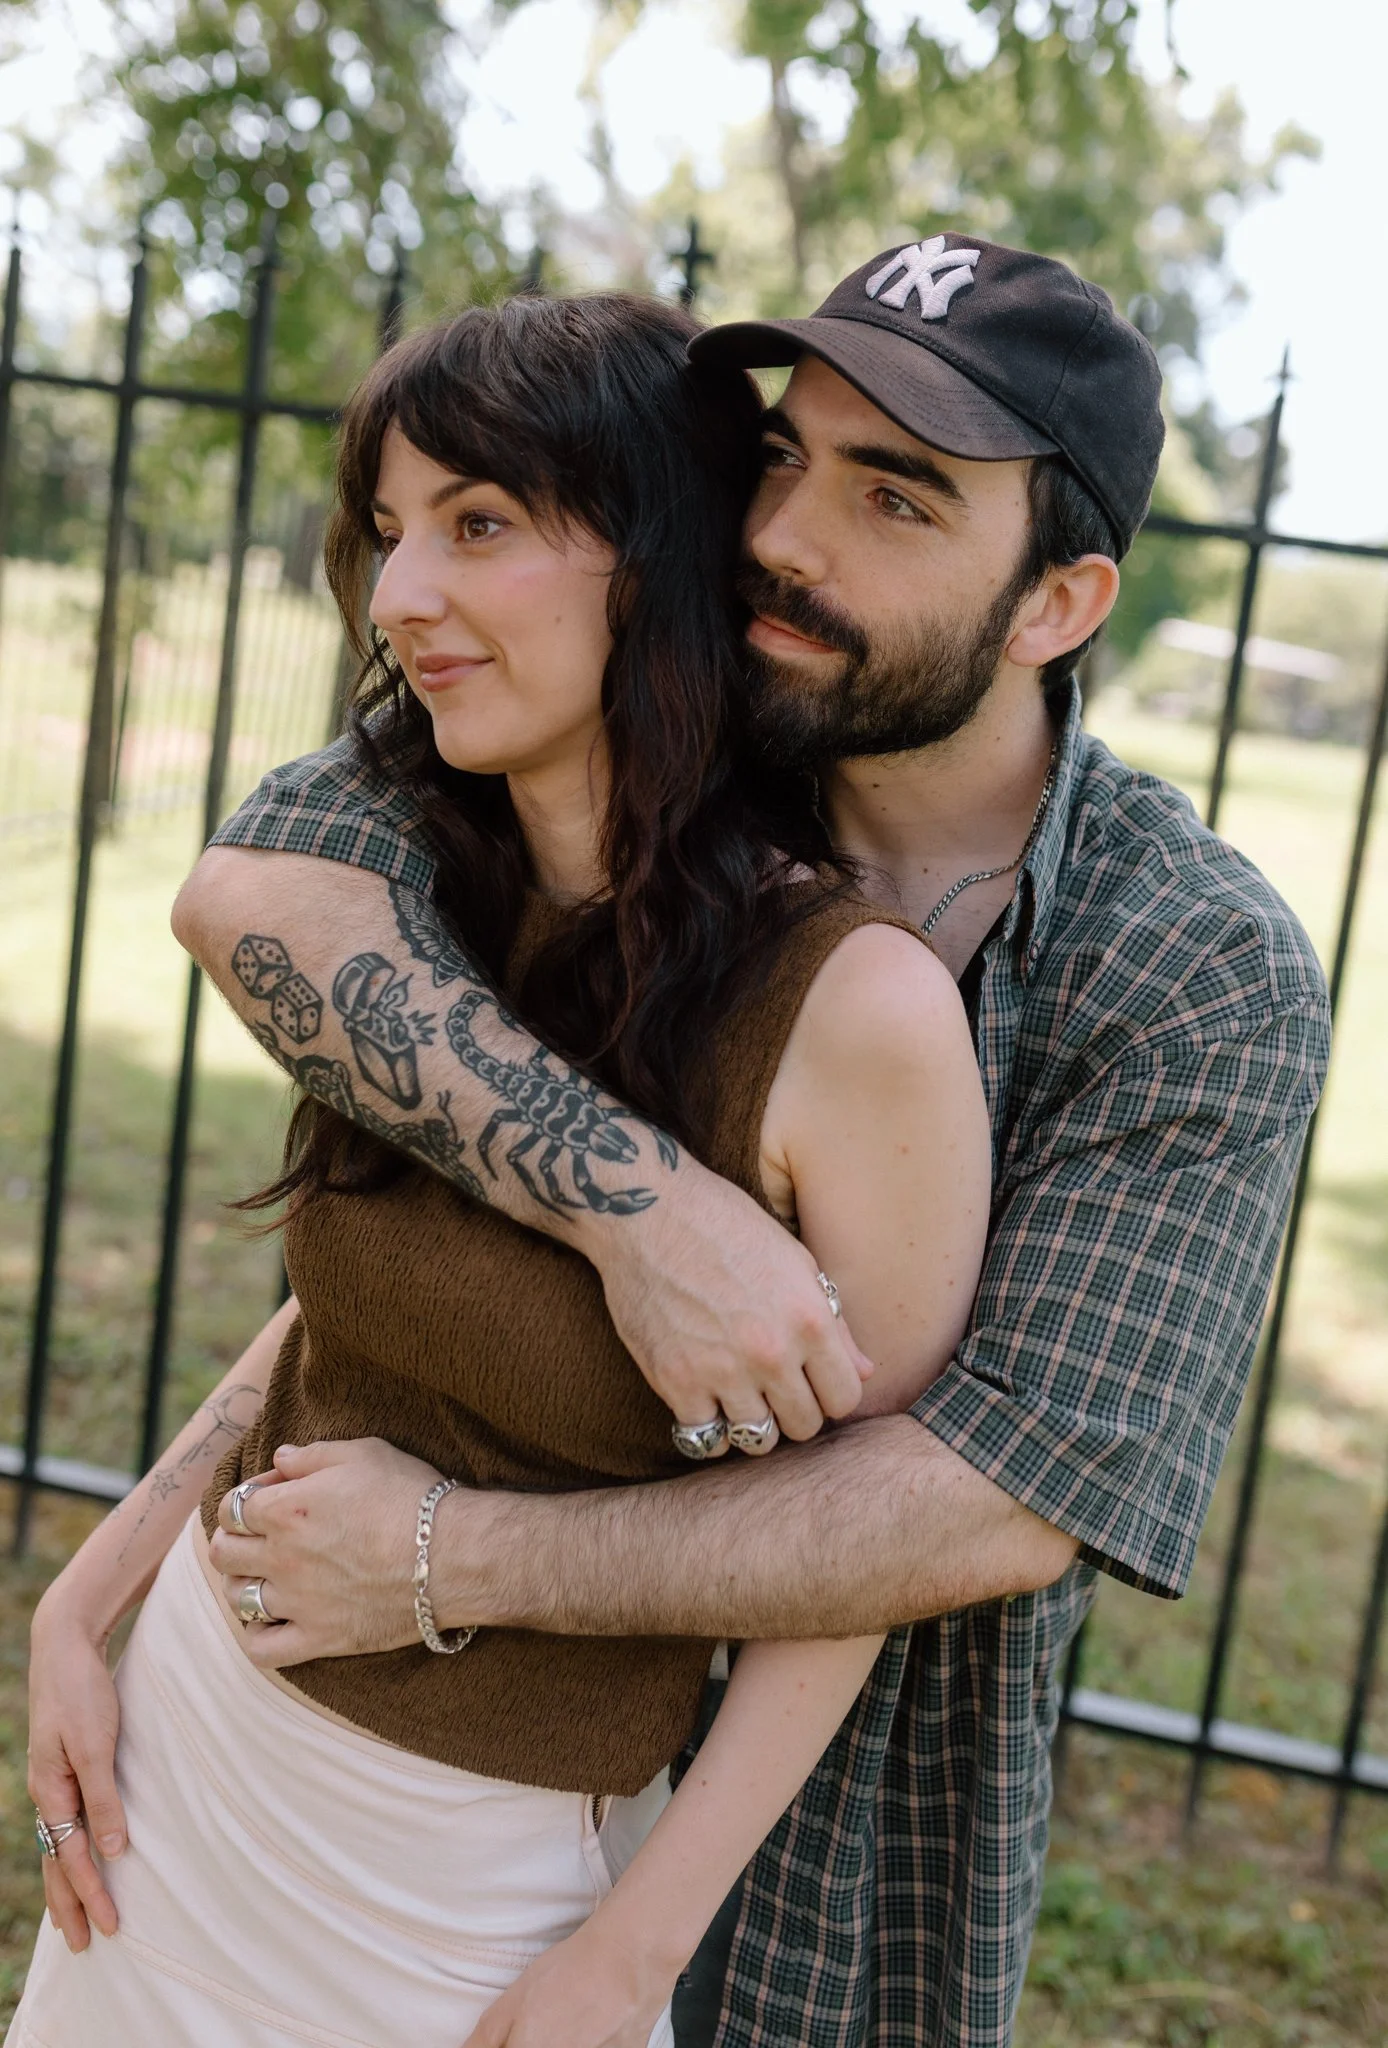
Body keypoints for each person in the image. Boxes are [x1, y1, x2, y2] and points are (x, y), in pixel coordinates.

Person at [31, 238, 1331, 2048]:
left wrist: (448, 1563)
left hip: (826, 1848)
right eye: (786, 456)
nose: (786, 534)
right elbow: (265, 909)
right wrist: (644, 1210)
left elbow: (986, 1497)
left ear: (1056, 603)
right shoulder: (640, 758)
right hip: (276, 1769)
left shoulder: (1189, 967)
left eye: (898, 496)